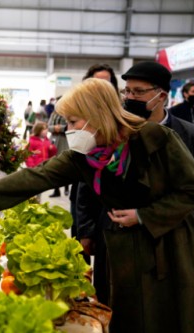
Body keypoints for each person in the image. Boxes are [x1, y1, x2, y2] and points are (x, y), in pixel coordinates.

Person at [0, 78, 194, 333]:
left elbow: (193, 189)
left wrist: (143, 215)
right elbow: (38, 176)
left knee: (169, 315)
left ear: (96, 115)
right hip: (124, 251)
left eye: (74, 121)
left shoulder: (155, 138)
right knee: (129, 316)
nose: (69, 129)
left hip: (170, 244)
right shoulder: (83, 153)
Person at [79, 61, 194, 305]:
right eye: (127, 91)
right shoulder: (113, 132)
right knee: (113, 306)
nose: (130, 97)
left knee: (163, 309)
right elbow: (89, 185)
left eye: (138, 91)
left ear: (161, 95)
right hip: (115, 239)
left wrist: (191, 242)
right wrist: (87, 230)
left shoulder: (193, 136)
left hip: (170, 241)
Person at [74, 63, 120, 271]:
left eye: (107, 84)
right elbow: (81, 183)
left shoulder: (124, 126)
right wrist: (85, 230)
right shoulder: (83, 125)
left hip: (118, 220)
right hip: (88, 206)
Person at [47, 97, 69, 198]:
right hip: (53, 141)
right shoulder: (54, 114)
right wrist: (55, 128)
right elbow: (49, 126)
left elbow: (69, 127)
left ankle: (66, 188)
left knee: (64, 165)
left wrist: (61, 128)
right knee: (54, 165)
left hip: (64, 141)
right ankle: (56, 190)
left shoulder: (69, 113)